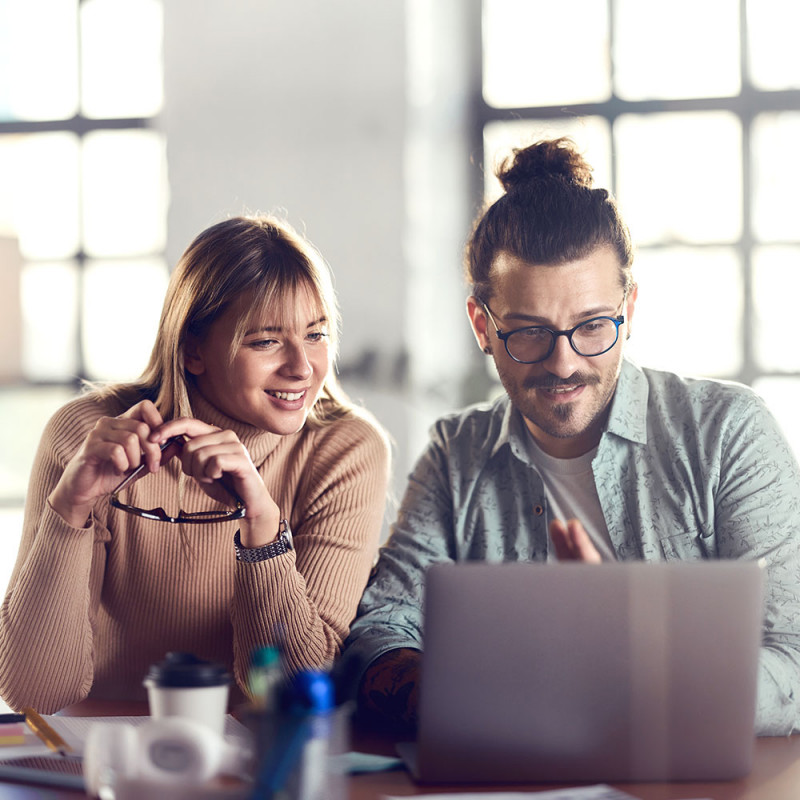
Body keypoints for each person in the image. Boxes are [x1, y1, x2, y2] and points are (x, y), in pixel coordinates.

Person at [338, 137, 800, 737]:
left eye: (591, 327)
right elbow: (380, 629)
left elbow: (792, 663)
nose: (563, 363)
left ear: (628, 310)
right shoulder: (457, 453)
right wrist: (477, 705)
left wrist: (635, 656)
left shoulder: (726, 433)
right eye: (529, 332)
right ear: (482, 324)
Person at [0, 214, 391, 714]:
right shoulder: (87, 437)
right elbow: (34, 694)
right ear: (193, 351)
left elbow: (294, 696)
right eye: (266, 341)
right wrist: (70, 509)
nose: (302, 367)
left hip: (258, 765)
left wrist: (263, 528)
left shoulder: (345, 449)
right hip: (105, 759)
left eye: (315, 335)